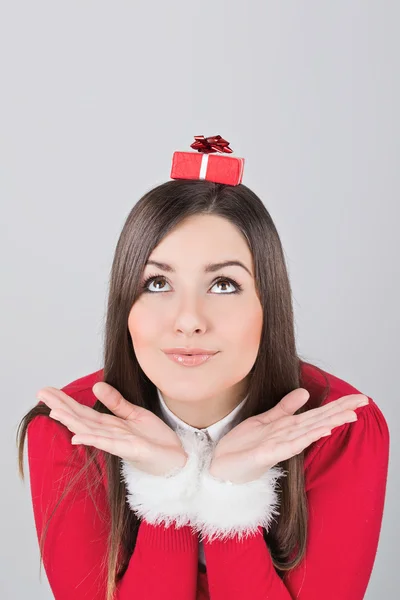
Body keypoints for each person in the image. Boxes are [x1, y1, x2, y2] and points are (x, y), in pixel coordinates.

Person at [16, 139, 390, 600]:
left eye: (224, 284)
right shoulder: (72, 433)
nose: (189, 320)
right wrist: (167, 488)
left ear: (266, 304)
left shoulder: (340, 430)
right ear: (124, 307)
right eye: (157, 283)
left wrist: (231, 493)